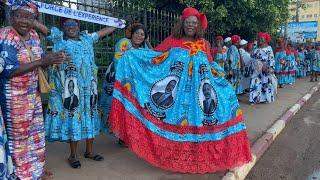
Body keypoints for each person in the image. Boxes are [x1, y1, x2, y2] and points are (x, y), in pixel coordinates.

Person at [108, 7, 251, 173]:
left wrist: (220, 76)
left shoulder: (204, 44)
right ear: (182, 24)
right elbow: (154, 56)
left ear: (198, 26)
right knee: (179, 124)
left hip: (199, 95)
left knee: (199, 121)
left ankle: (198, 157)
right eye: (188, 23)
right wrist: (132, 56)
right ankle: (174, 157)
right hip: (177, 97)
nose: (190, 26)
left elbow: (211, 63)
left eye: (194, 23)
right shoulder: (172, 40)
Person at [33, 17, 115, 168]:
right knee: (73, 119)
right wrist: (30, 16)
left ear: (78, 26)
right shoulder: (58, 38)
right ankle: (73, 155)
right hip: (70, 90)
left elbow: (104, 31)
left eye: (74, 24)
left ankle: (90, 151)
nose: (71, 27)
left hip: (88, 89)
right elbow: (40, 26)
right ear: (62, 27)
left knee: (90, 117)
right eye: (67, 25)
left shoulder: (87, 38)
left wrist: (117, 24)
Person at [0, 1, 69, 179]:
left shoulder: (33, 35)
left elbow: (38, 57)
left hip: (33, 94)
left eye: (29, 17)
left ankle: (36, 170)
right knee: (19, 137)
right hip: (13, 98)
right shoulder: (6, 36)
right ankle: (22, 174)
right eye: (19, 16)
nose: (24, 21)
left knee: (36, 133)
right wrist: (42, 62)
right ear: (11, 16)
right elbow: (7, 70)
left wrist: (51, 58)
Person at [99, 23, 151, 146]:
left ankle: (127, 136)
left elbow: (153, 58)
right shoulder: (124, 43)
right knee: (120, 105)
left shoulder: (143, 49)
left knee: (131, 107)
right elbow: (118, 61)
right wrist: (124, 80)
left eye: (142, 34)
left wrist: (148, 42)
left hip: (134, 83)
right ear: (131, 34)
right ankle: (121, 135)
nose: (139, 36)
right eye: (137, 33)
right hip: (119, 79)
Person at [249, 32, 276, 105]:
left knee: (265, 84)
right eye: (259, 38)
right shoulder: (255, 49)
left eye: (261, 39)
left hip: (265, 70)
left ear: (265, 40)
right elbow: (251, 58)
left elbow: (272, 59)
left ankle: (266, 98)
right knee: (255, 83)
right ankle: (254, 99)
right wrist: (256, 64)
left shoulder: (268, 49)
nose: (259, 40)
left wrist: (269, 68)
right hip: (256, 70)